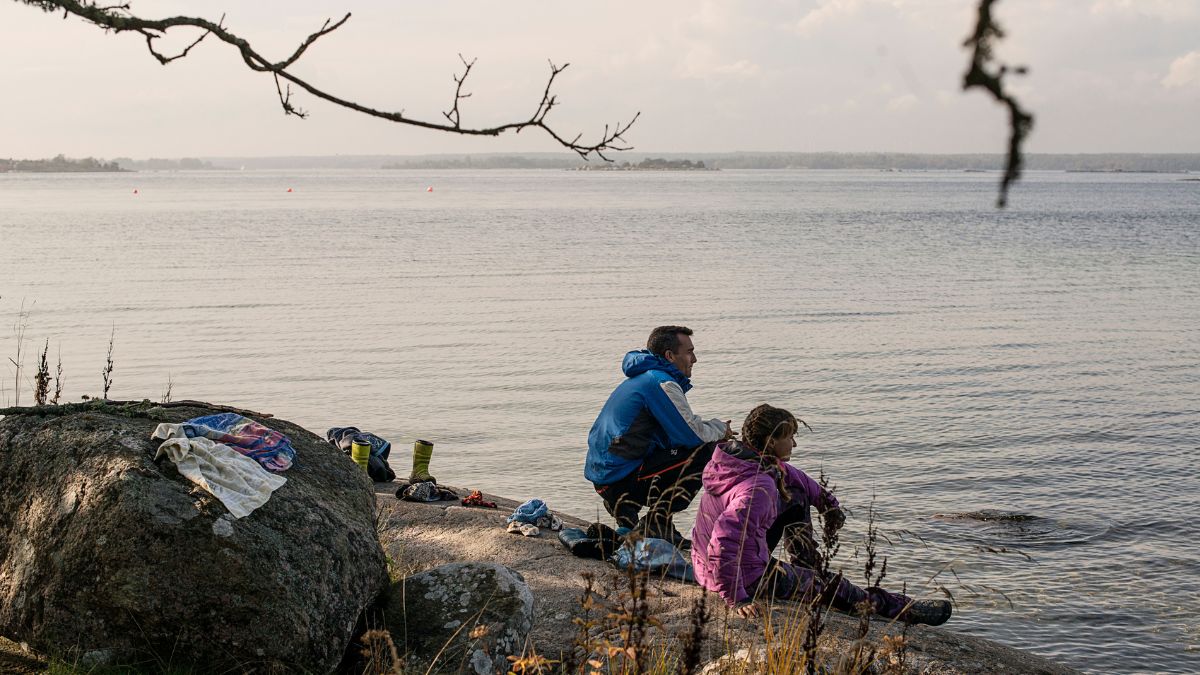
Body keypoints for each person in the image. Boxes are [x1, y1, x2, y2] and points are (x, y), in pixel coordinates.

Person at [690, 404, 952, 625]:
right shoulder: (759, 488)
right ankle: (901, 609)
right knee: (835, 588)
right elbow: (724, 542)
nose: (794, 442)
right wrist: (737, 598)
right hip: (744, 577)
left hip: (710, 565)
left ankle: (806, 564)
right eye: (789, 436)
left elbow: (796, 478)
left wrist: (829, 505)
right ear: (771, 441)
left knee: (797, 494)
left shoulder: (737, 460)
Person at [586, 325, 732, 547]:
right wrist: (721, 429)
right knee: (709, 450)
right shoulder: (661, 383)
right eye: (689, 351)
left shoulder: (644, 378)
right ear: (670, 356)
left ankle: (628, 511)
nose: (694, 359)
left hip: (607, 477)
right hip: (619, 479)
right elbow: (693, 435)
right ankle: (657, 522)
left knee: (682, 444)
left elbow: (677, 432)